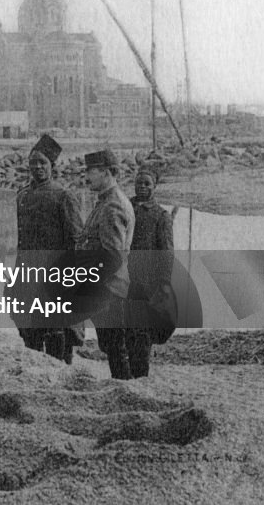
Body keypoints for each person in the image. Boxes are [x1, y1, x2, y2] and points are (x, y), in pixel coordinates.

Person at [15, 135, 84, 364]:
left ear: (52, 166)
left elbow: (76, 239)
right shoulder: (22, 195)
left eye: (42, 163)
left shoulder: (64, 196)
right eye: (33, 163)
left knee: (59, 327)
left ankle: (62, 370)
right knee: (29, 326)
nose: (37, 167)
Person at [77, 149, 135, 379]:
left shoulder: (112, 206)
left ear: (107, 173)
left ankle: (125, 391)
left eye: (91, 171)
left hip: (109, 289)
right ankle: (124, 388)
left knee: (115, 348)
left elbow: (112, 257)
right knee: (113, 347)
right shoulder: (108, 201)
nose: (86, 177)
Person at [125, 167, 174, 378]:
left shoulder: (160, 215)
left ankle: (141, 376)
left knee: (142, 332)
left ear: (155, 187)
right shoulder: (126, 207)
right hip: (124, 278)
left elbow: (166, 253)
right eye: (139, 183)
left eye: (147, 184)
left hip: (146, 281)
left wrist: (162, 284)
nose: (142, 188)